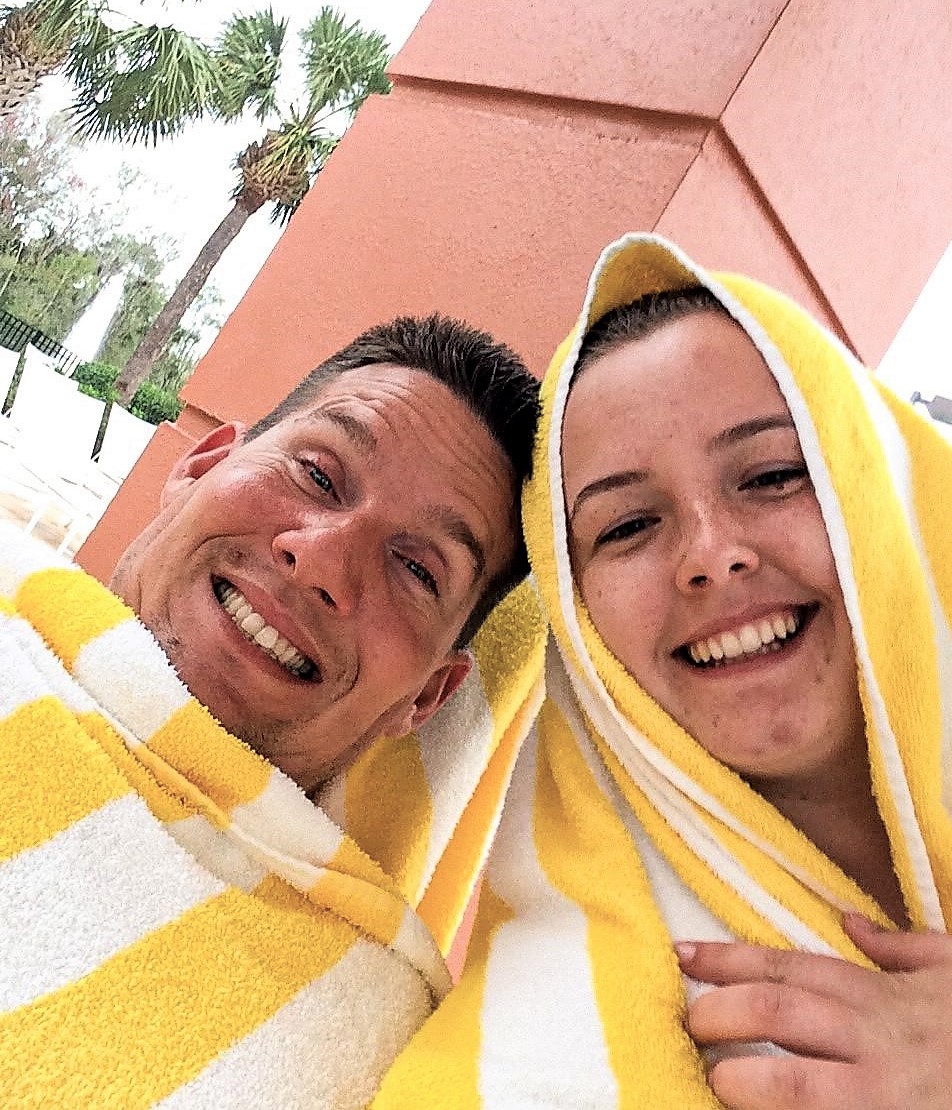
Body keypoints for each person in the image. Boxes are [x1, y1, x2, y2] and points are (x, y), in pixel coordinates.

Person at [372, 235, 952, 1109]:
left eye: (771, 476)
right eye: (627, 527)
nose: (711, 558)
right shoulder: (544, 1045)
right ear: (578, 622)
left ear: (879, 497)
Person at [0, 313, 544, 1108]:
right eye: (319, 476)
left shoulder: (379, 1046)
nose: (322, 556)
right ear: (201, 464)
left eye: (417, 569)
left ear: (426, 697)